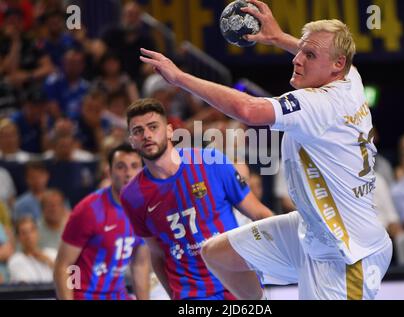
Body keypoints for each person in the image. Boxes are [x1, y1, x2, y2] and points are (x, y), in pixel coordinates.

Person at [139, 0, 392, 300]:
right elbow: (319, 52)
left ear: (337, 65)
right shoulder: (352, 78)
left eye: (308, 55)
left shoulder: (319, 104)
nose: (297, 59)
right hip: (313, 230)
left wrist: (180, 79)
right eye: (299, 50)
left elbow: (248, 110)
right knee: (218, 254)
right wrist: (276, 37)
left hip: (347, 255)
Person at [120, 98, 273, 300]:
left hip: (238, 284)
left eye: (153, 127)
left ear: (169, 131)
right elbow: (157, 254)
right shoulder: (132, 196)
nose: (146, 135)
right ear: (131, 140)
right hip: (191, 294)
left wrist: (284, 264)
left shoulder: (211, 161)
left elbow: (260, 214)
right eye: (138, 131)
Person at [53, 143, 150, 300]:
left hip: (118, 295)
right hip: (83, 296)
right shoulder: (88, 210)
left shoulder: (143, 210)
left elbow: (140, 264)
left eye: (134, 166)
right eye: (121, 166)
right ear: (109, 172)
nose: (128, 173)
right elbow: (63, 265)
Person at [8, 216, 56, 283]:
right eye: (24, 233)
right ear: (18, 238)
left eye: (32, 231)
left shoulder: (52, 253)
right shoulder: (15, 260)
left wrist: (48, 261)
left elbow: (67, 277)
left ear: (38, 233)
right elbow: (25, 285)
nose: (29, 236)